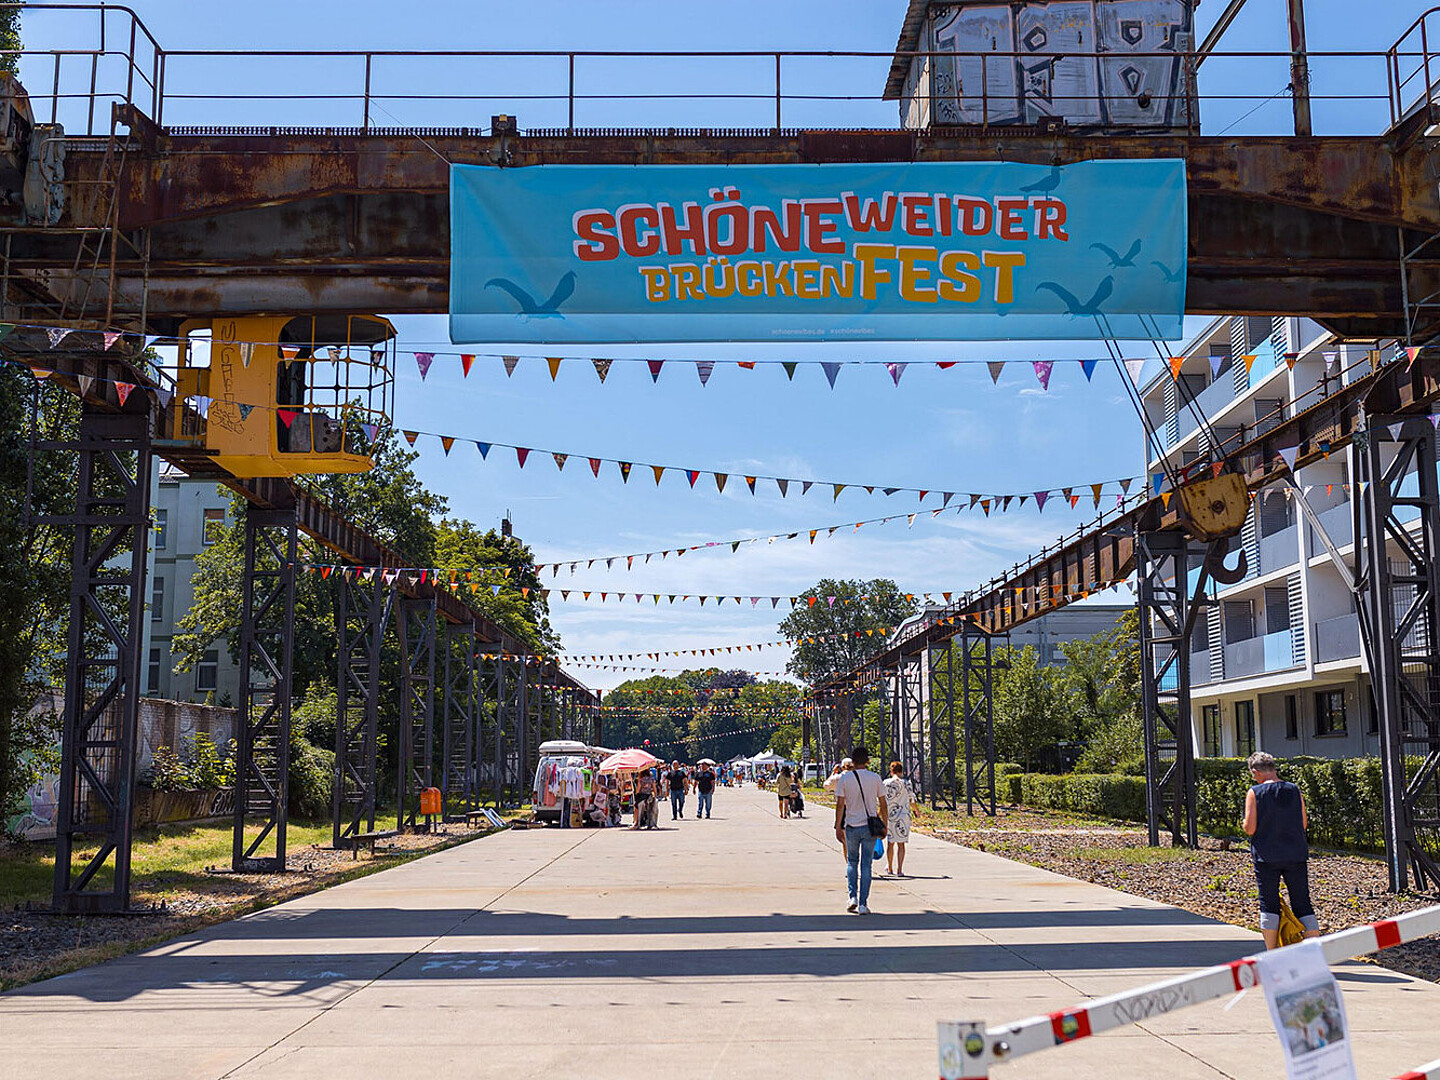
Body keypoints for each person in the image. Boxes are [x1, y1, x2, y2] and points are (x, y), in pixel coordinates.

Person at [1242, 751, 1320, 949]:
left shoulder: (1254, 792)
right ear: (1274, 769)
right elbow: (1303, 823)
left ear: (1256, 771)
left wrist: (1244, 824)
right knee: (1302, 902)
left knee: (1269, 904)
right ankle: (1313, 950)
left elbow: (1250, 828)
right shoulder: (1294, 789)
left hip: (1266, 856)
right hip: (1295, 853)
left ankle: (1272, 952)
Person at [834, 745, 886, 914]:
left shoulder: (845, 778)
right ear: (868, 761)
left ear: (853, 761)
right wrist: (884, 824)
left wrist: (837, 825)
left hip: (851, 826)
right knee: (866, 865)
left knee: (852, 862)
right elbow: (883, 804)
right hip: (869, 828)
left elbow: (840, 804)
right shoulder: (875, 778)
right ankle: (863, 903)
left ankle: (852, 897)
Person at [882, 761, 916, 877]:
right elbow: (912, 800)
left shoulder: (886, 783)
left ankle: (890, 867)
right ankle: (900, 870)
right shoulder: (907, 783)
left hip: (890, 816)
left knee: (890, 843)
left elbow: (882, 800)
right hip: (904, 816)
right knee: (901, 844)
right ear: (902, 771)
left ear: (891, 771)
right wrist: (917, 811)